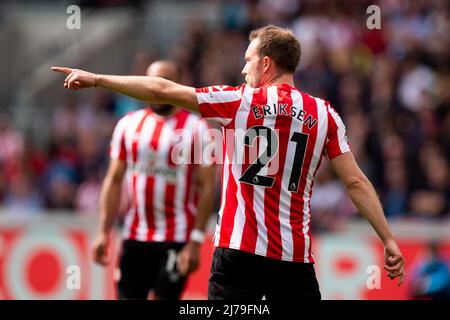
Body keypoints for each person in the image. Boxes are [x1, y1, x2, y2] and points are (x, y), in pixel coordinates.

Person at [52, 25, 405, 300]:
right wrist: (387, 238)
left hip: (239, 255)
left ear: (267, 63)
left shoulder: (239, 102)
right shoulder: (324, 114)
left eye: (248, 59)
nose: (242, 67)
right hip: (294, 260)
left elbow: (162, 90)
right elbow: (355, 182)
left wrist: (98, 80)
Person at [90, 60, 215, 300]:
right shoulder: (128, 124)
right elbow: (113, 180)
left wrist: (196, 241)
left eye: (164, 80)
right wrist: (104, 231)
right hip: (134, 235)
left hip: (176, 238)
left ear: (178, 85)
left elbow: (207, 187)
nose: (155, 88)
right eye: (151, 81)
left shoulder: (198, 129)